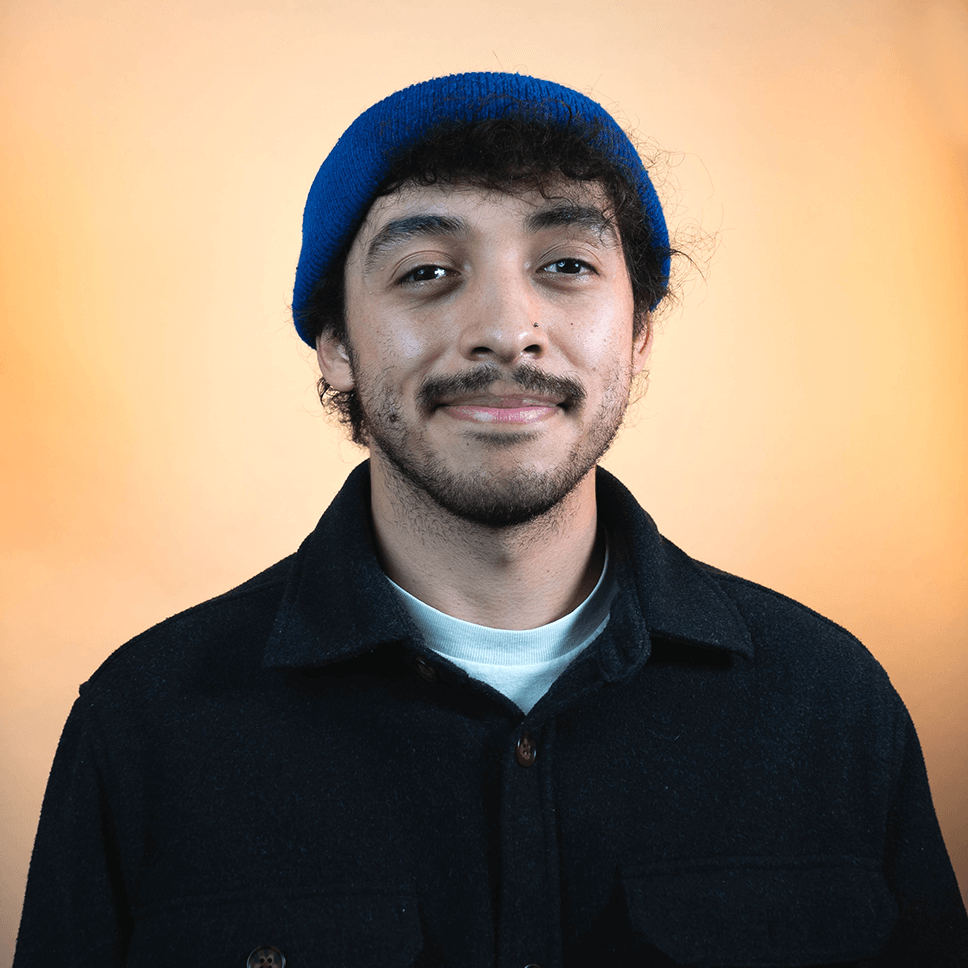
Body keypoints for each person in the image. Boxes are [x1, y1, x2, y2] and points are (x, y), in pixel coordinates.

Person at [14, 72, 967, 968]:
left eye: (564, 264)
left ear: (637, 336)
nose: (507, 328)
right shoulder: (144, 728)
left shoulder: (833, 706)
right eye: (428, 271)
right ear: (336, 346)